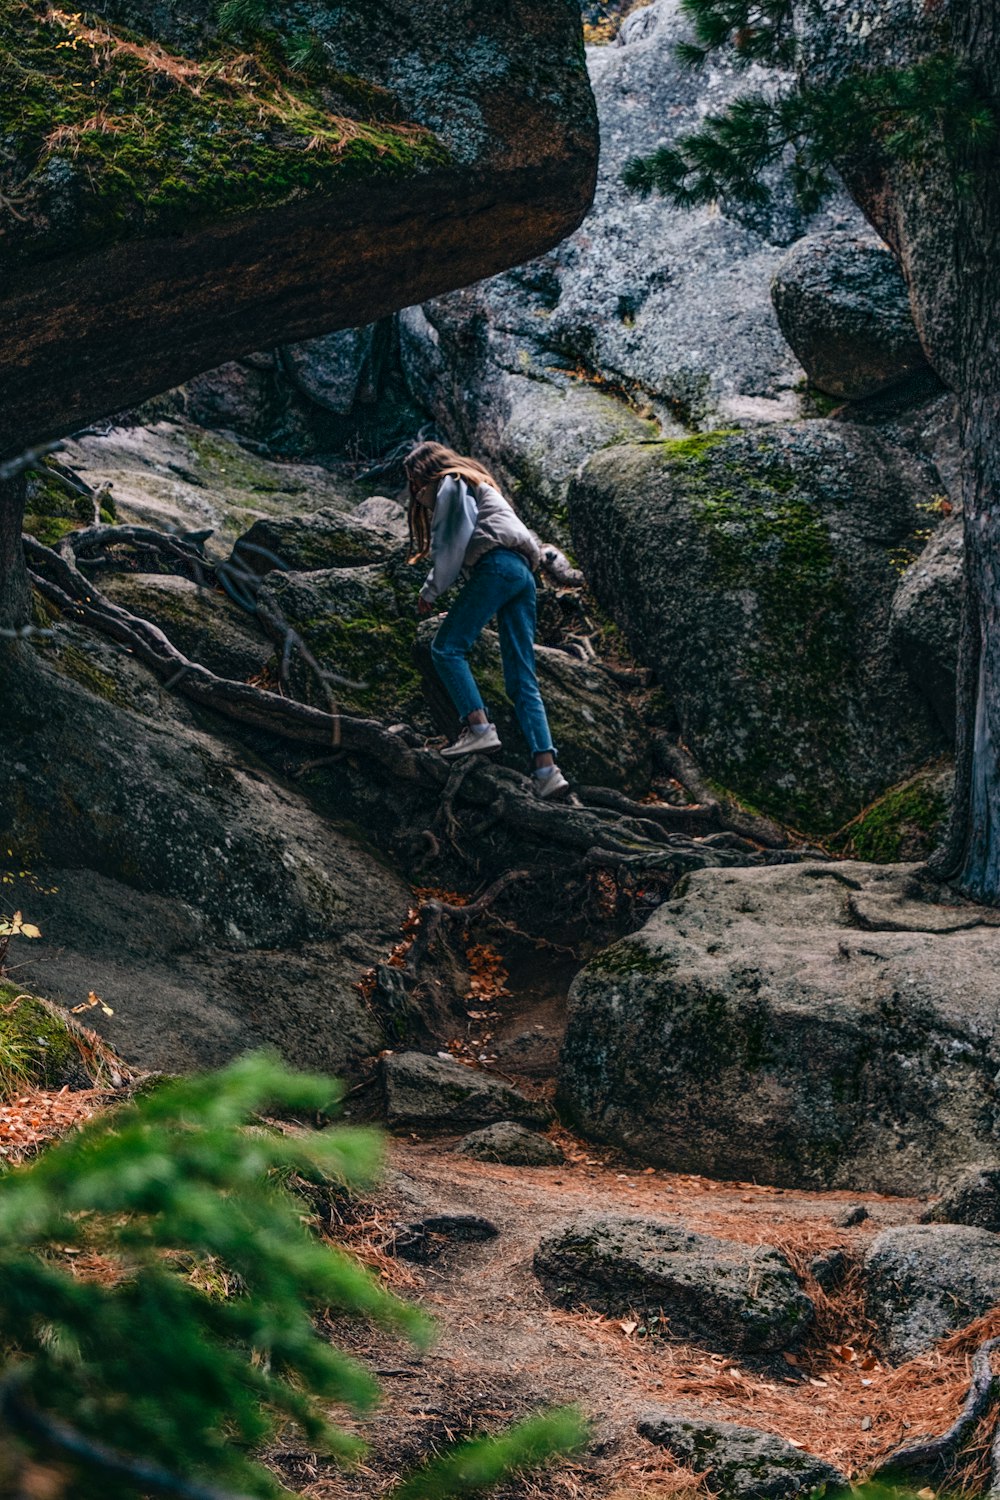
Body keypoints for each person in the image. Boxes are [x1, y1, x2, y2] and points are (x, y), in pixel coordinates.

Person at [404, 440, 569, 800]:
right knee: (522, 677)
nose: (415, 493)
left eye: (414, 483)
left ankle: (478, 727)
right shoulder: (479, 483)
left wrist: (429, 592)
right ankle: (546, 770)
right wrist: (465, 606)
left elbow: (452, 545)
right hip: (522, 575)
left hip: (497, 569)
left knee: (446, 648)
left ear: (424, 474)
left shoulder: (452, 484)